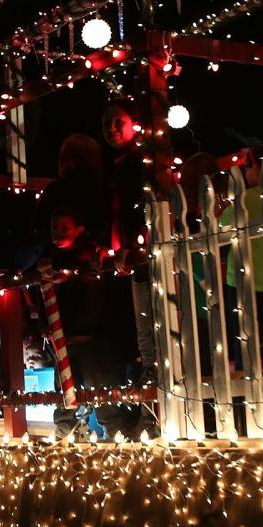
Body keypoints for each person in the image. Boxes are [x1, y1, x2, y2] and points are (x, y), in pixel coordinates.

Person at [34, 205, 138, 440]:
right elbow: (43, 298)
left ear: (78, 229)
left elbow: (98, 277)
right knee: (64, 393)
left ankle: (116, 434)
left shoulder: (90, 253)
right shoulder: (47, 259)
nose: (58, 233)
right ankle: (63, 434)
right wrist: (44, 325)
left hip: (92, 339)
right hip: (63, 340)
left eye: (64, 228)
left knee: (100, 391)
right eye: (55, 228)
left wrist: (97, 259)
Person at [101, 101, 157, 386]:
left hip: (145, 251)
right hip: (133, 253)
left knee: (149, 318)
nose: (111, 129)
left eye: (118, 122)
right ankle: (148, 371)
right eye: (107, 123)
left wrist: (130, 245)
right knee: (143, 322)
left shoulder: (139, 161)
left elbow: (135, 206)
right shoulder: (119, 164)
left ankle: (152, 371)